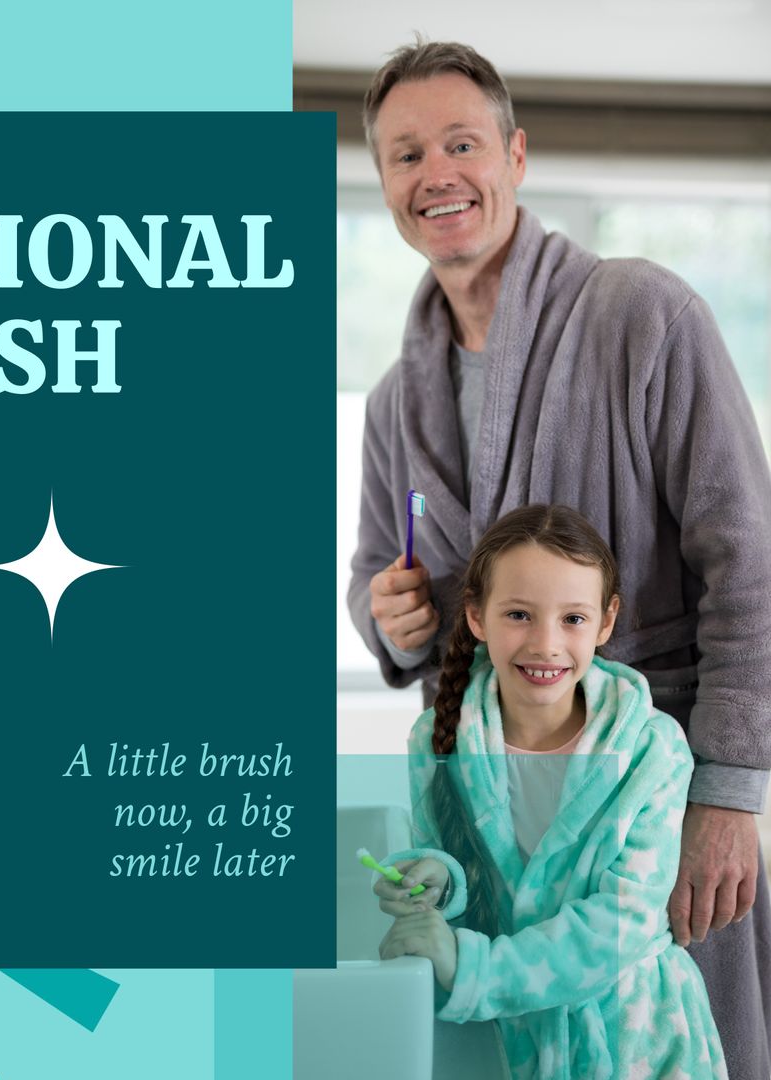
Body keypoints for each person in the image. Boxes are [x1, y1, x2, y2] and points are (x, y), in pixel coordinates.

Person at [348, 36, 771, 1078]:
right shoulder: (397, 403)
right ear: (382, 182)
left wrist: (727, 791)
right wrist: (384, 613)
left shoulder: (643, 315)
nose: (436, 174)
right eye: (405, 155)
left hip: (650, 790)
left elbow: (750, 565)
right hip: (495, 806)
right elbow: (374, 577)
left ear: (517, 156)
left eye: (461, 143)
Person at [375, 504, 726, 1079]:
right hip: (505, 1047)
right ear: (477, 617)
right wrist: (437, 883)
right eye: (518, 613)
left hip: (637, 1040)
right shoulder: (435, 741)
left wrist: (473, 968)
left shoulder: (652, 750)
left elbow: (624, 921)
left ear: (606, 622)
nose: (545, 644)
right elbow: (458, 874)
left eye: (573, 619)